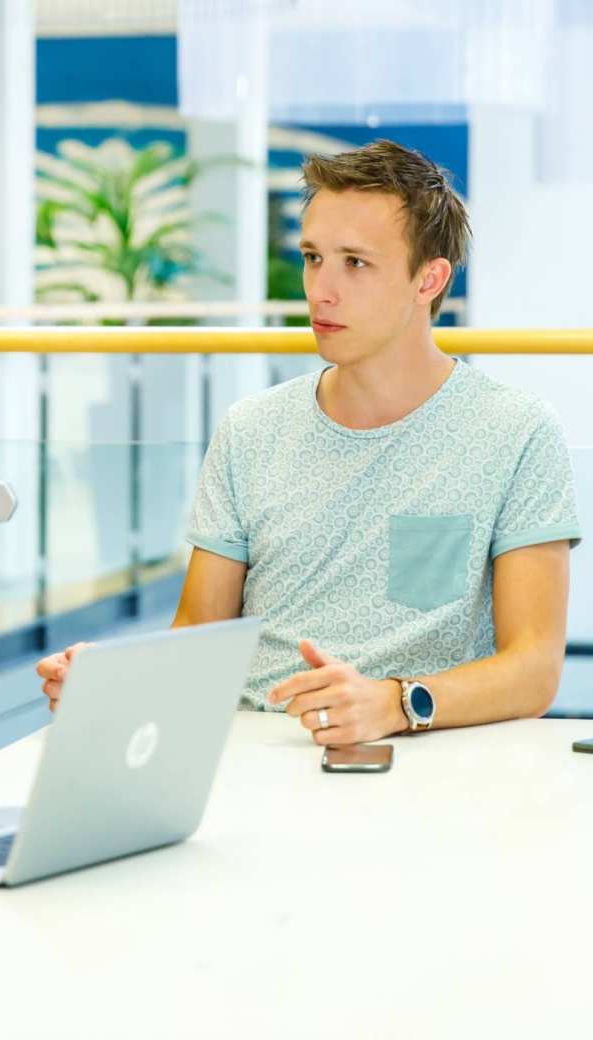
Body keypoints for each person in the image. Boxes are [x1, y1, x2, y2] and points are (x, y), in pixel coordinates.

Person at [38, 139, 582, 746]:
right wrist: (117, 681)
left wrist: (395, 702)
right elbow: (197, 632)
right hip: (249, 754)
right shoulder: (251, 429)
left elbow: (534, 670)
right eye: (313, 257)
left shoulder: (516, 432)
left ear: (428, 280)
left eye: (355, 262)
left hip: (424, 760)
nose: (320, 289)